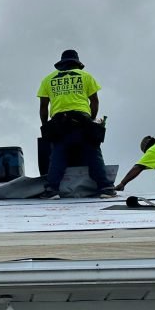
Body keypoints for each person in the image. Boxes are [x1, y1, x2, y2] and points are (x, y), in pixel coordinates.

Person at [37, 50, 116, 199]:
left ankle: (52, 190)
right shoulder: (86, 76)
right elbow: (94, 101)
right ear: (77, 64)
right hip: (82, 119)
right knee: (93, 153)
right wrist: (91, 120)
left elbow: (43, 107)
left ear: (61, 65)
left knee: (58, 155)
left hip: (59, 121)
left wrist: (46, 126)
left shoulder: (47, 79)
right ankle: (105, 188)